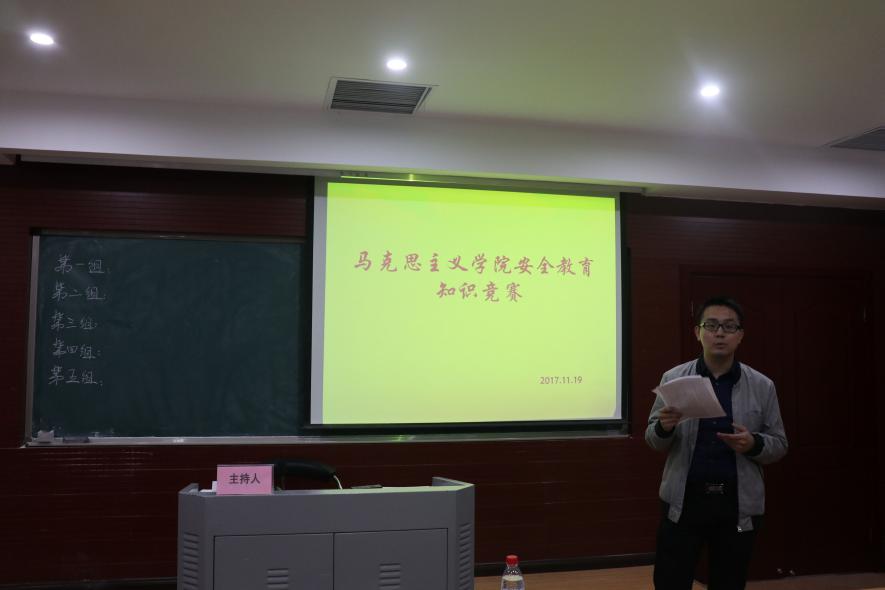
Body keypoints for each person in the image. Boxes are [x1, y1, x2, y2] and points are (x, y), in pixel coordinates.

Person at [645, 296, 788, 590]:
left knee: (729, 582)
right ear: (697, 332)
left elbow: (779, 444)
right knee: (670, 582)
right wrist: (663, 427)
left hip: (736, 504)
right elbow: (653, 440)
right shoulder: (674, 378)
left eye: (729, 326)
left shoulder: (762, 386)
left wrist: (753, 444)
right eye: (711, 325)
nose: (720, 333)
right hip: (684, 502)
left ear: (740, 335)